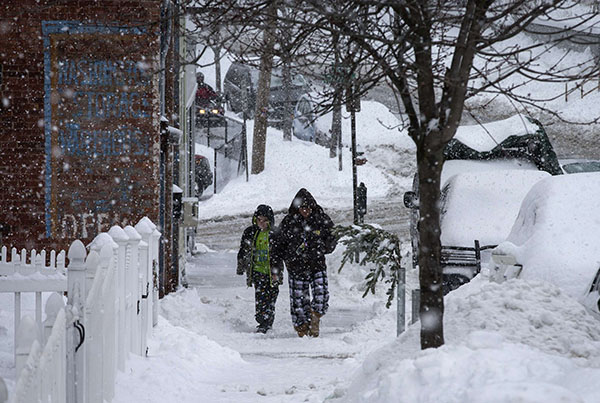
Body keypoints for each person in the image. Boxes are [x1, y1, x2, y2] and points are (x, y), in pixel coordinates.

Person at [274, 188, 337, 338]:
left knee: (321, 296)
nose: (305, 211)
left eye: (308, 208)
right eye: (302, 208)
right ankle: (302, 328)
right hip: (296, 267)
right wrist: (287, 258)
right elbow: (278, 245)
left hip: (317, 265)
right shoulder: (288, 222)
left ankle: (315, 318)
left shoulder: (321, 219)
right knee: (298, 302)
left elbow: (333, 237)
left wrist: (323, 248)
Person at [237, 204, 283, 333]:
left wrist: (278, 271)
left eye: (264, 220)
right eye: (259, 220)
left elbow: (280, 254)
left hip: (272, 272)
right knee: (261, 297)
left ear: (270, 221)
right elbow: (243, 250)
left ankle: (268, 320)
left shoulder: (275, 234)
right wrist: (241, 267)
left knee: (272, 296)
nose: (261, 223)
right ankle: (262, 321)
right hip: (258, 271)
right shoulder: (251, 233)